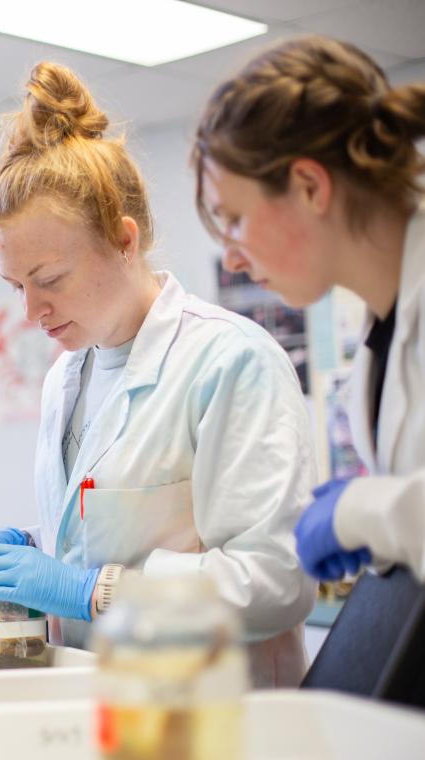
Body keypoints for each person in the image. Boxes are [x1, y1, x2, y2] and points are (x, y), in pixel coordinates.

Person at [0, 61, 316, 688]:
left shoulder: (230, 360)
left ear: (123, 239)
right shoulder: (68, 377)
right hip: (108, 704)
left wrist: (94, 590)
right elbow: (126, 532)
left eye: (50, 280)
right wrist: (40, 549)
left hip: (226, 716)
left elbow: (276, 583)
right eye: (15, 287)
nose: (31, 312)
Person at [192, 36, 425, 583]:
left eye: (235, 219)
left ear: (308, 186)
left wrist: (366, 511)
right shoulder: (384, 332)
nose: (230, 254)